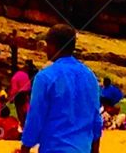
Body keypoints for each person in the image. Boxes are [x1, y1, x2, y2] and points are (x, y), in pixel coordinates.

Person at [20, 24, 101, 153]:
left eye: (47, 44)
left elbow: (35, 118)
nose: (45, 49)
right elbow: (96, 120)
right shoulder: (90, 76)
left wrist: (25, 149)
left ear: (53, 45)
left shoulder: (45, 77)